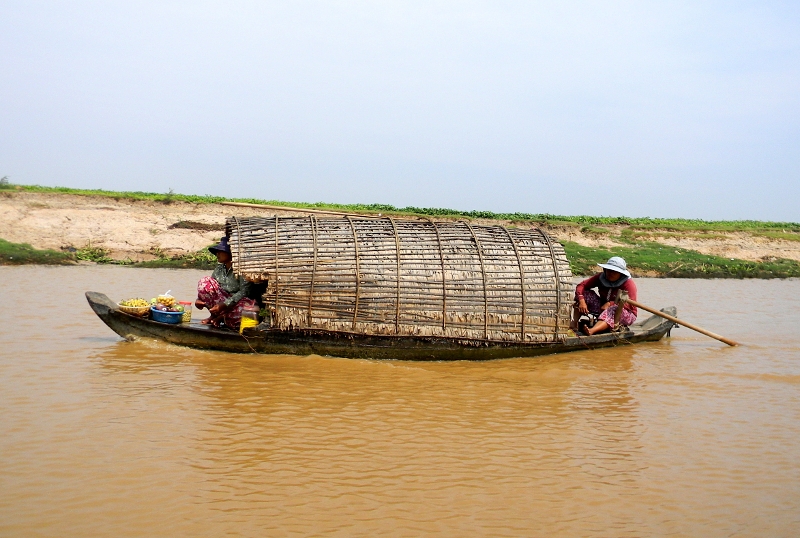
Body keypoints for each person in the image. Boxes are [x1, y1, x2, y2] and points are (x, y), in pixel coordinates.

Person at [195, 236, 257, 328]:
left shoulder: (241, 270)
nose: (217, 254)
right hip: (221, 301)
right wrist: (198, 300)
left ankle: (222, 317)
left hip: (237, 303)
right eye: (217, 251)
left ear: (231, 253)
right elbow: (211, 289)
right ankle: (214, 315)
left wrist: (225, 304)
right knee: (205, 281)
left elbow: (244, 292)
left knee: (250, 310)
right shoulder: (219, 269)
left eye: (220, 251)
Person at [571, 256, 638, 336]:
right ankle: (574, 324)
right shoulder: (601, 277)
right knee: (584, 294)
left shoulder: (628, 284)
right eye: (609, 270)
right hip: (602, 307)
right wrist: (582, 301)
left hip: (625, 313)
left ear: (620, 273)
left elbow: (630, 305)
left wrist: (611, 304)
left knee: (612, 309)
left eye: (614, 272)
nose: (610, 274)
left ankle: (592, 330)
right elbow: (581, 286)